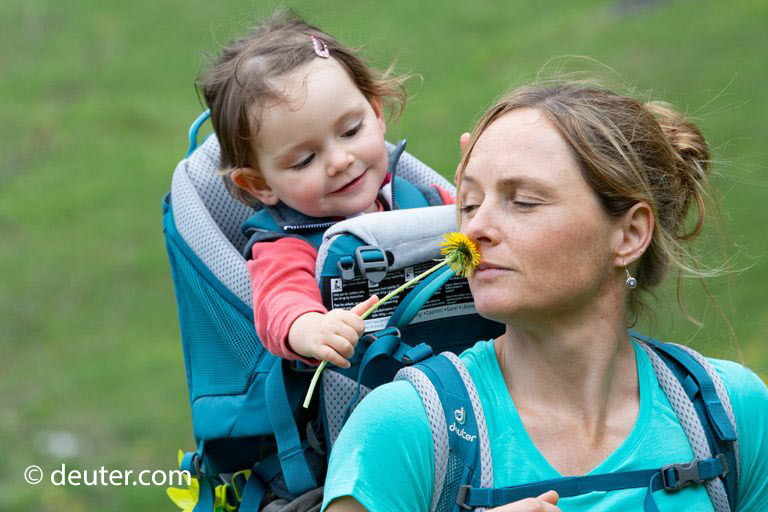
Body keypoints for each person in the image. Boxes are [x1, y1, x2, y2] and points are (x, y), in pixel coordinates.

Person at [322, 81, 768, 511]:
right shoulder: (406, 427)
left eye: (524, 201)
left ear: (630, 235)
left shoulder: (729, 415)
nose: (474, 229)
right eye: (471, 202)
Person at [198, 11, 454, 368]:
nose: (339, 161)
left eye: (350, 131)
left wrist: (483, 194)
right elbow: (280, 302)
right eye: (304, 160)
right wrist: (311, 328)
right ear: (260, 184)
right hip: (369, 391)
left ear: (376, 113)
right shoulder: (287, 245)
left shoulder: (423, 200)